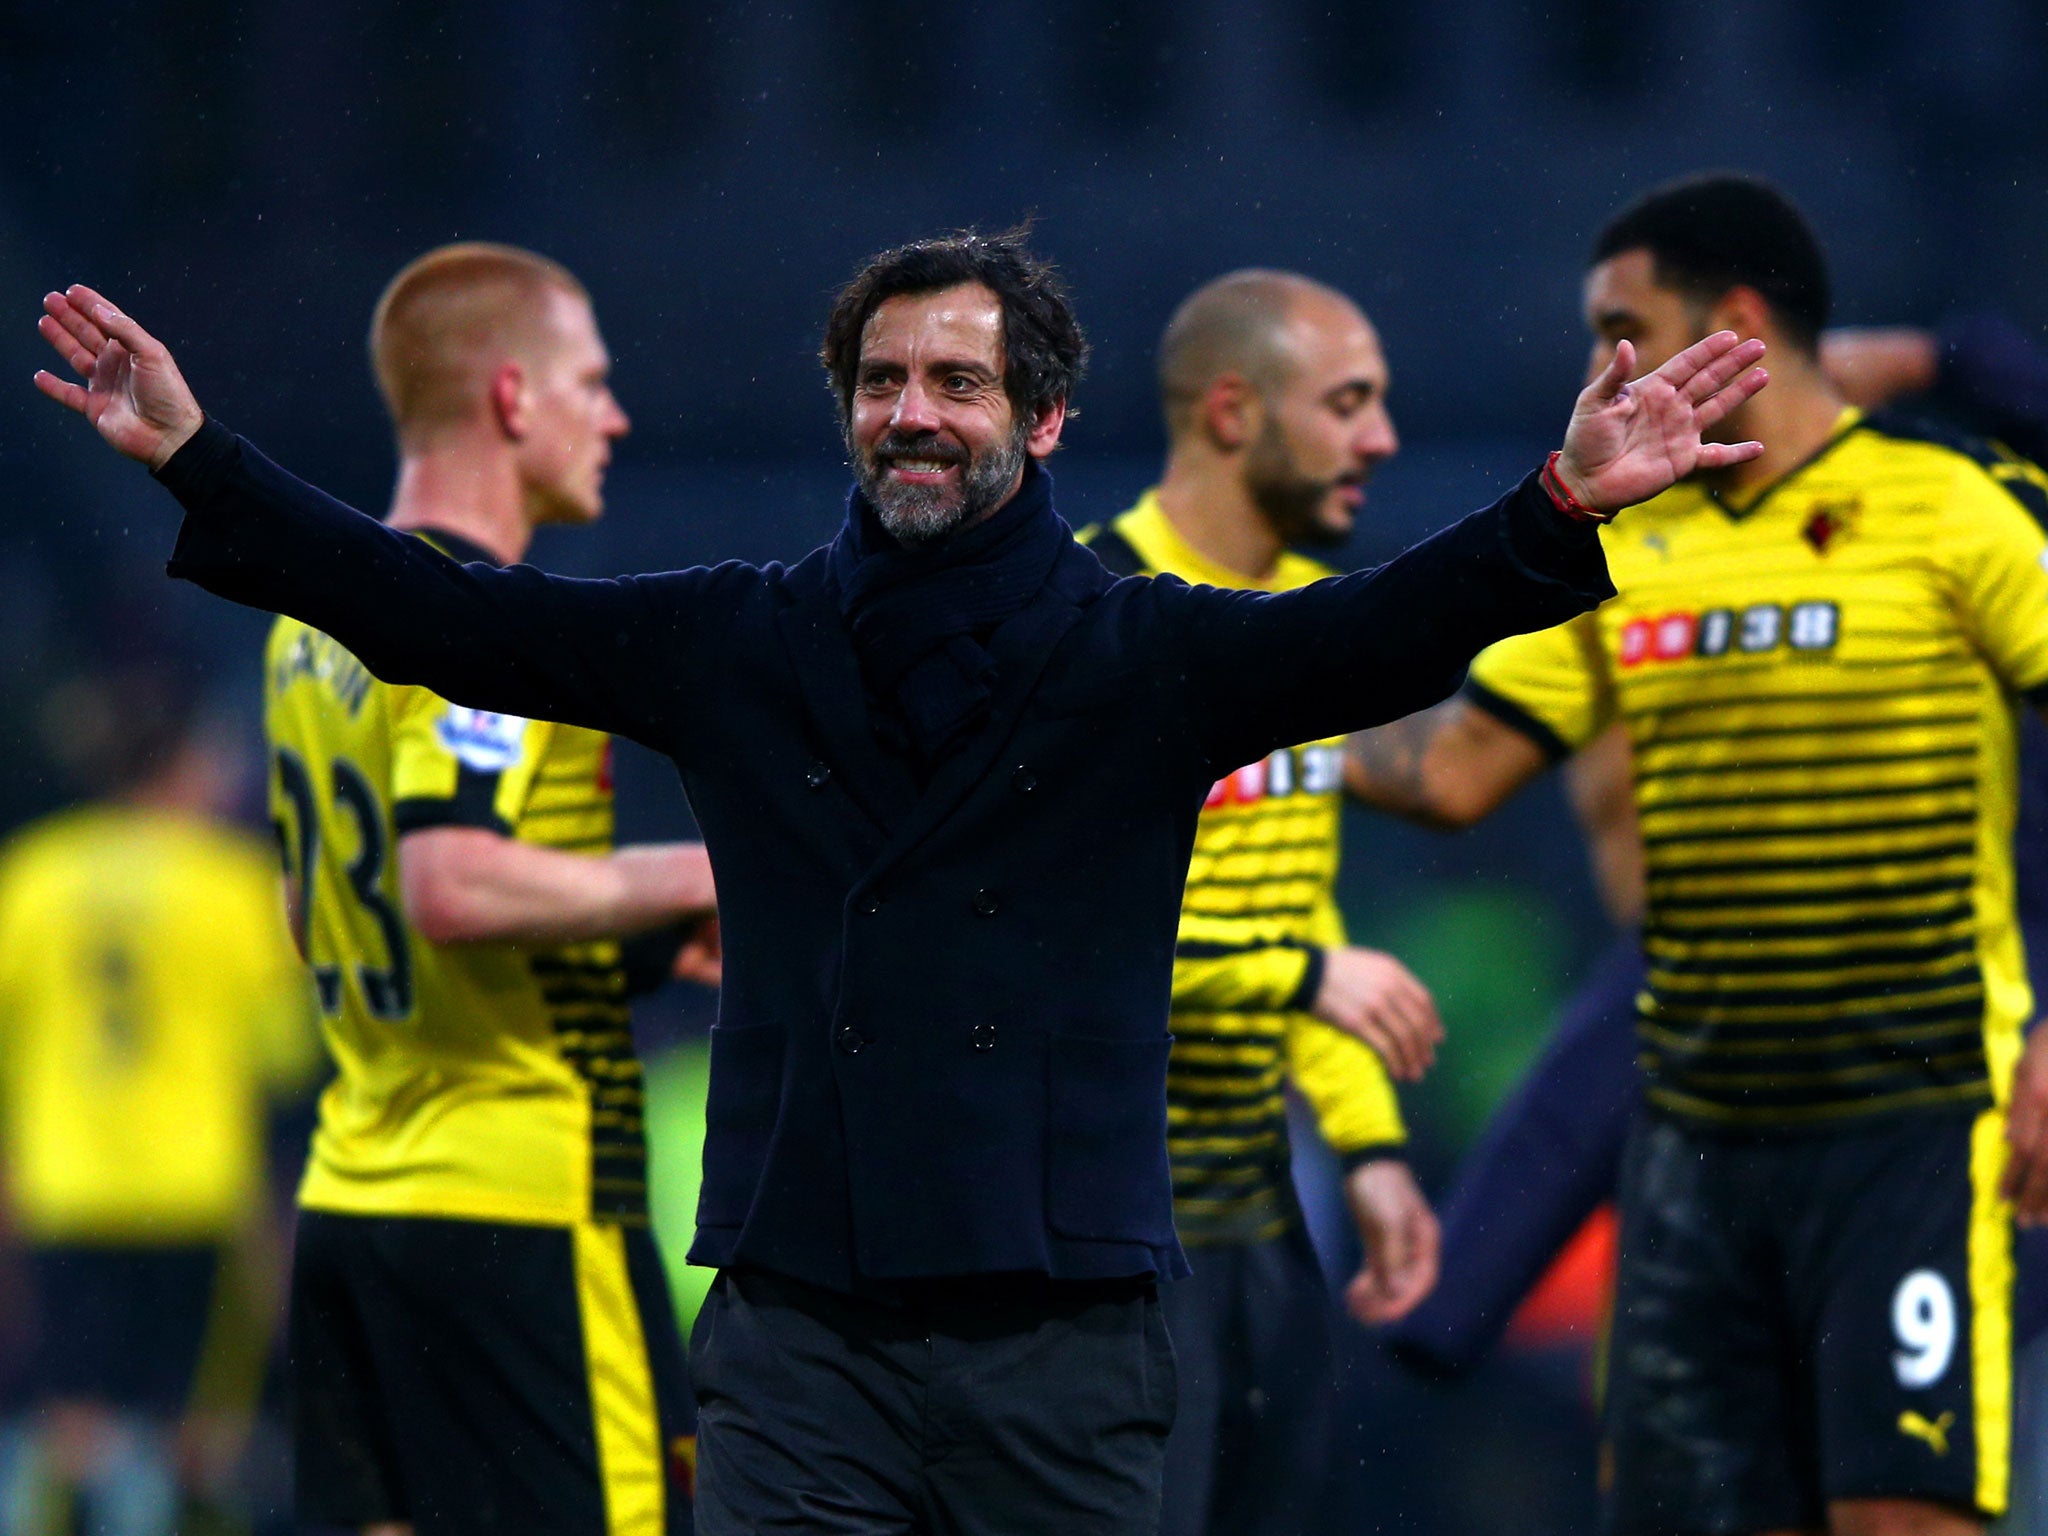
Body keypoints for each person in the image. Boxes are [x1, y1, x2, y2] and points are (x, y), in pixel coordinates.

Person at [32, 227, 1765, 1535]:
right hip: (796, 1340)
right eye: (880, 382)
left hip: (1064, 1338)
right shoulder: (742, 635)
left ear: (1044, 414)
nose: (911, 413)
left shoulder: (1137, 650)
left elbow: (1369, 632)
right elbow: (448, 617)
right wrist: (199, 456)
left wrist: (1555, 507)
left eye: (953, 381)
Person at [1346, 172, 2048, 1536]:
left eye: (1624, 325)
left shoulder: (1957, 504)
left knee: (1904, 1517)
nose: (1598, 367)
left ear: (1734, 320)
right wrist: (1252, 729)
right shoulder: (1625, 546)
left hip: (1909, 1124)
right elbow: (1448, 771)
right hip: (1697, 1145)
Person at [269, 244, 721, 1535]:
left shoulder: (306, 618)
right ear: (514, 397)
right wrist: (710, 872)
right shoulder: (479, 620)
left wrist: (626, 941)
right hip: (522, 1209)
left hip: (358, 1197)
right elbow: (450, 886)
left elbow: (321, 913)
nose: (617, 416)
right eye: (593, 381)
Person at [1079, 268, 1442, 1536]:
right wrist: (1299, 978)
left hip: (1259, 1216)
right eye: (1347, 403)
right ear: (1231, 411)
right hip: (1099, 1235)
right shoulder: (1085, 620)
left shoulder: (1305, 623)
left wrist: (1370, 1148)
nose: (1380, 440)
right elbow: (1053, 927)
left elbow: (1302, 903)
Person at [0, 670, 318, 1536]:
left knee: (69, 1421)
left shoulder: (29, 875)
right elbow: (282, 1065)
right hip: (195, 1193)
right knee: (199, 1434)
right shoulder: (235, 885)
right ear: (181, 762)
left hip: (67, 1191)